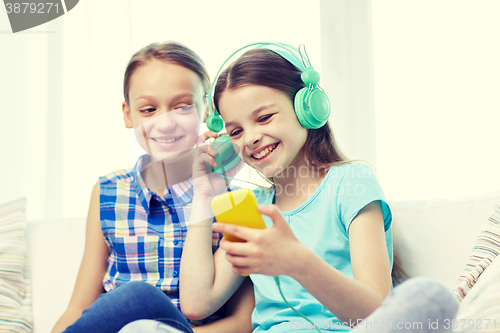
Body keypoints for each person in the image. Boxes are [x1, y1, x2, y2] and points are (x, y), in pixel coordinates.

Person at [120, 43, 458, 333]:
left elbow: (375, 313)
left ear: (306, 108)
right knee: (138, 327)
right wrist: (204, 194)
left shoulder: (351, 182)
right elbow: (197, 303)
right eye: (235, 131)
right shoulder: (248, 207)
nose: (250, 138)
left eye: (264, 118)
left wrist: (297, 261)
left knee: (430, 296)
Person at [51, 41, 254, 333]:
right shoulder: (107, 192)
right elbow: (80, 307)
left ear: (208, 109)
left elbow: (244, 322)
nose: (166, 123)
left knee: (139, 297)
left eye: (183, 106)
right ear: (128, 114)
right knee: (132, 302)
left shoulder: (238, 205)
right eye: (148, 109)